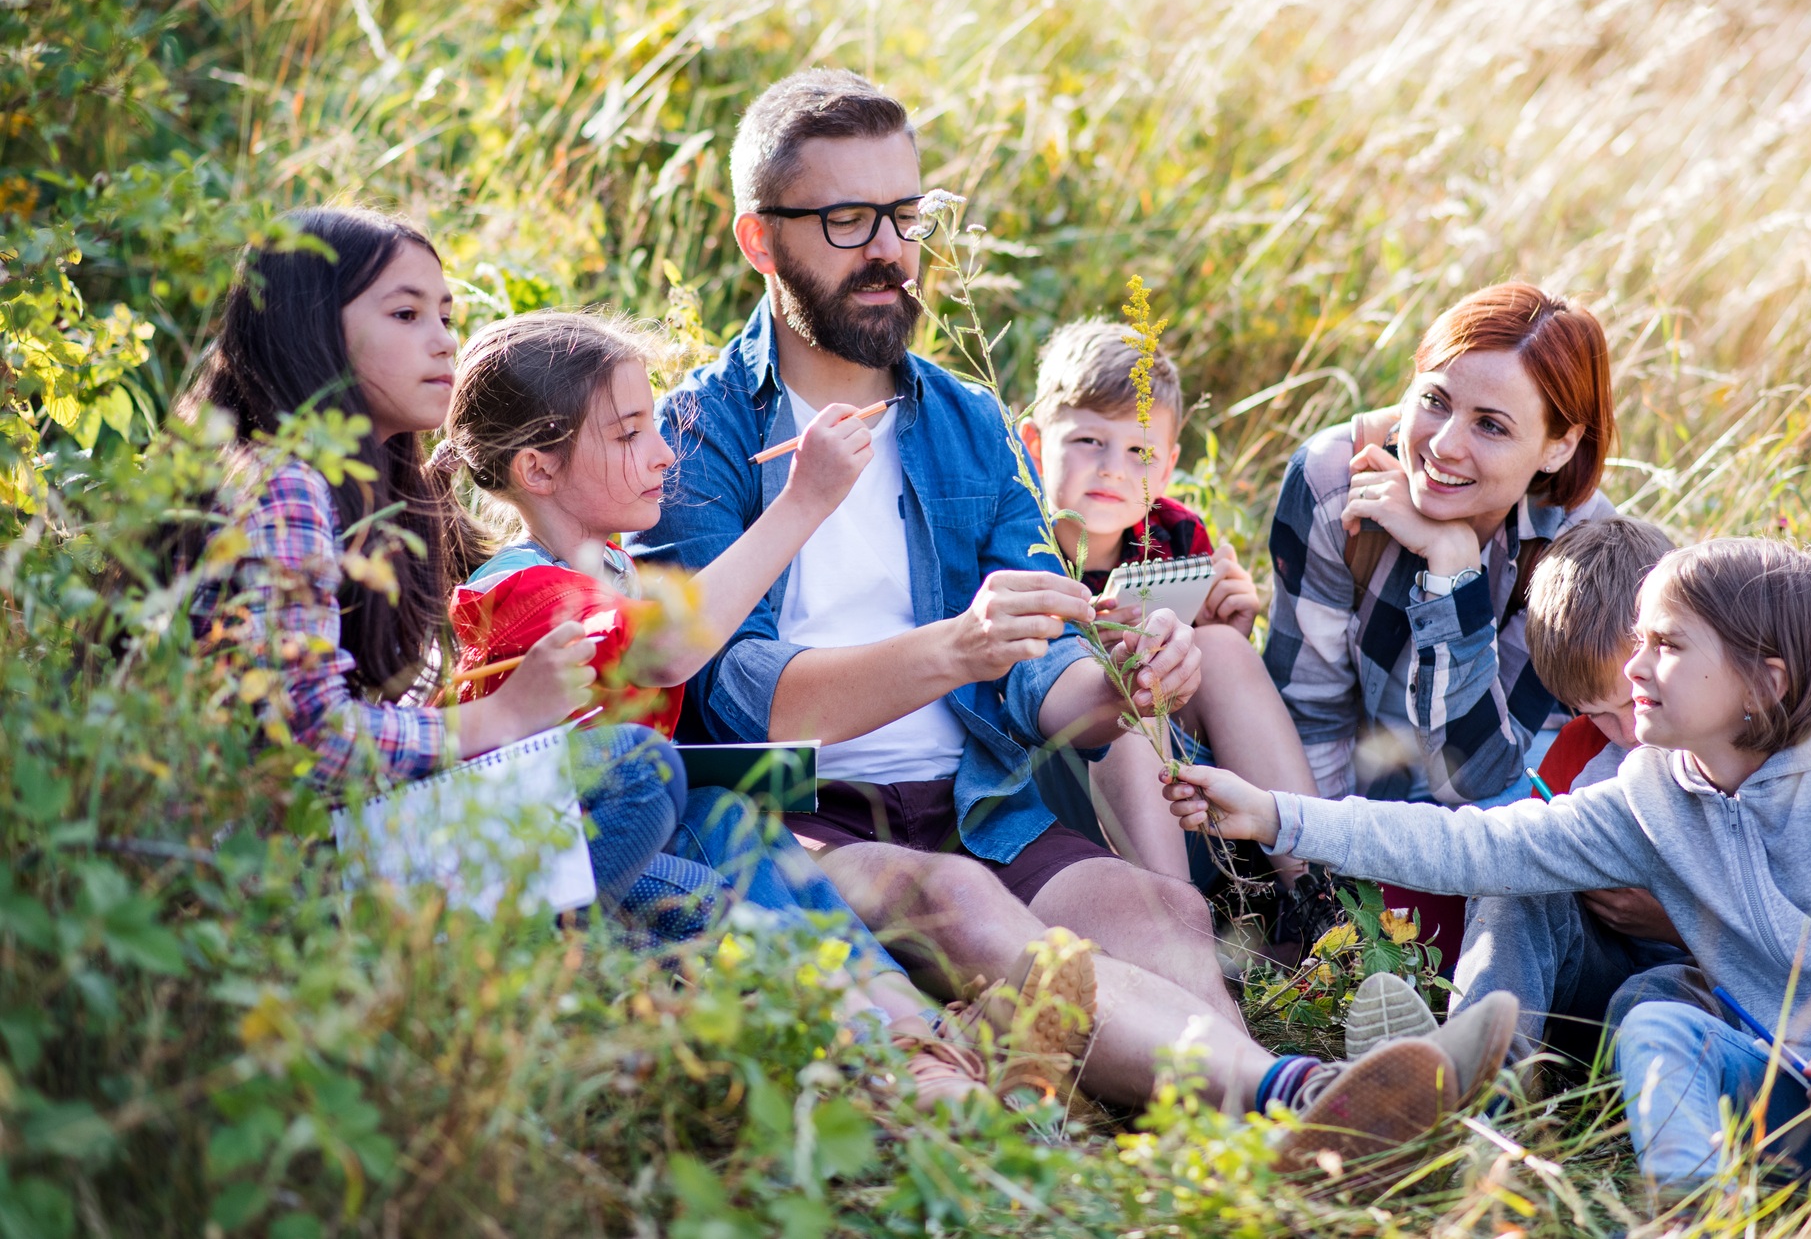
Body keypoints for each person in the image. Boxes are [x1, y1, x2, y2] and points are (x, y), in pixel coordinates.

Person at [631, 66, 1520, 1159]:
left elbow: (1040, 671)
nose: (889, 251)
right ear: (760, 241)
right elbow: (731, 693)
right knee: (953, 897)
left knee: (1162, 913)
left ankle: (1277, 1139)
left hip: (964, 799)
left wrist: (1121, 684)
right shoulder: (698, 434)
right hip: (790, 815)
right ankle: (1287, 1102)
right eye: (846, 219)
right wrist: (952, 649)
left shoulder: (963, 423)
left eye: (907, 216)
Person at [1161, 538, 1811, 1187]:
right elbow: (1478, 842)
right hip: (1777, 1089)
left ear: (1764, 684)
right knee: (1651, 1019)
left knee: (1657, 1000)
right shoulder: (1654, 790)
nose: (1634, 666)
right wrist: (1275, 813)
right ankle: (1586, 1165)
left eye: (1666, 644)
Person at [430, 307, 1011, 1107]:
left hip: (638, 837)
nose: (663, 451)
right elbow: (668, 647)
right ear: (538, 468)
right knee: (743, 909)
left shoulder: (611, 566)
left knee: (749, 832)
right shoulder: (522, 592)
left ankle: (929, 1039)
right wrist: (801, 503)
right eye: (631, 433)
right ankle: (896, 1066)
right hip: (563, 877)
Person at [182, 207, 682, 933]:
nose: (444, 340)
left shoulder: (382, 481)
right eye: (407, 313)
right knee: (637, 771)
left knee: (695, 898)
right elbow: (312, 744)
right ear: (311, 328)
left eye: (446, 316)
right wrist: (499, 717)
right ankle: (491, 970)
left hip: (354, 838)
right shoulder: (285, 484)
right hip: (288, 867)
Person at [1263, 281, 1618, 939]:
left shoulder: (1577, 554)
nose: (1445, 446)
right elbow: (1310, 714)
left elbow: (1478, 778)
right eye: (1434, 400)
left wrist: (1452, 572)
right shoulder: (1332, 479)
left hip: (1478, 843)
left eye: (1491, 424)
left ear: (1559, 445)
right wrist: (1342, 905)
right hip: (1331, 822)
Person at [1016, 319, 1318, 888]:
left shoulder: (1174, 534)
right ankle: (1174, 929)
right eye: (1089, 441)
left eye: (1140, 451)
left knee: (1221, 649)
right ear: (1034, 442)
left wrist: (1227, 628)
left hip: (1176, 791)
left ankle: (1316, 892)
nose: (1113, 467)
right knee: (1127, 682)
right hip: (1050, 784)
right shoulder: (1016, 536)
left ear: (1169, 464)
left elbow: (1205, 681)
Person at [1451, 517, 1696, 1069]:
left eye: (1633, 701)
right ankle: (1478, 1073)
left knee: (1647, 1003)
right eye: (1597, 714)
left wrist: (1666, 921)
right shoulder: (1580, 751)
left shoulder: (1729, 749)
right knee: (1512, 883)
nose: (1628, 731)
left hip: (1697, 989)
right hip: (1589, 973)